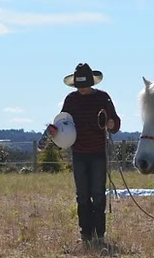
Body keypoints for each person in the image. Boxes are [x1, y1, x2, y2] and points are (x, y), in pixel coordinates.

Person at [49, 63, 120, 246]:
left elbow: (116, 123)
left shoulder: (104, 98)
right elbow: (63, 123)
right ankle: (85, 234)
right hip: (79, 153)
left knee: (98, 194)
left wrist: (111, 124)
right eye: (80, 86)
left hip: (98, 153)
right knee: (82, 195)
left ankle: (100, 234)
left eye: (85, 85)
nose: (83, 89)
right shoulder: (70, 100)